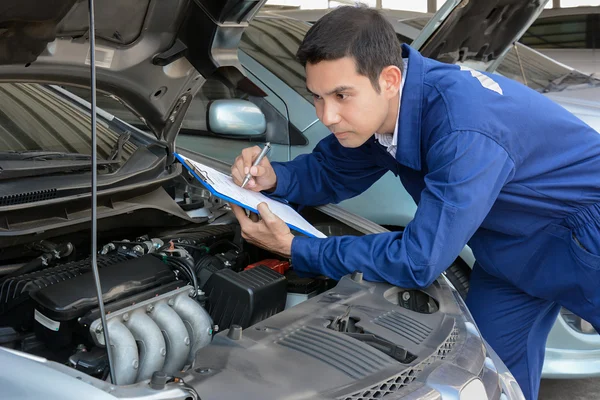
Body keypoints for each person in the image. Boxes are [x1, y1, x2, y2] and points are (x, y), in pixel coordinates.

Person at [228, 6, 600, 399]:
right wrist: (275, 178)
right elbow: (331, 172)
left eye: (341, 95)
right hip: (509, 253)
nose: (328, 116)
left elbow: (418, 259)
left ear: (389, 79)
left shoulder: (461, 128)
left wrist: (297, 248)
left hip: (587, 237)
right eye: (317, 98)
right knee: (493, 379)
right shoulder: (383, 114)